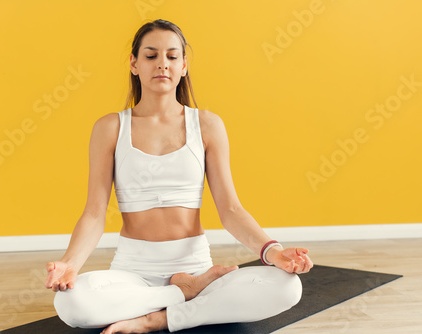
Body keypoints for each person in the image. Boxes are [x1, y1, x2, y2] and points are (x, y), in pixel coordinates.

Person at [44, 19, 313, 334]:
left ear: (184, 65)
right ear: (134, 63)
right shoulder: (110, 128)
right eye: (151, 55)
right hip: (134, 271)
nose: (162, 64)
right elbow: (94, 213)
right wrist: (70, 264)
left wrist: (274, 252)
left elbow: (231, 210)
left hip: (195, 266)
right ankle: (182, 294)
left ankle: (156, 318)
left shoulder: (208, 125)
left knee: (287, 287)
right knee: (70, 305)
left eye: (172, 56)